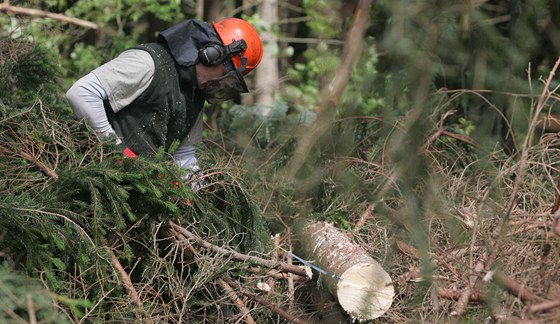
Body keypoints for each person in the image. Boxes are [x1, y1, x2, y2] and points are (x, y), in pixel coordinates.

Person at [66, 18, 263, 179]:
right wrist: (116, 150)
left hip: (135, 190)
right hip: (87, 171)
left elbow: (184, 155)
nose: (223, 83)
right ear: (212, 54)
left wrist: (193, 189)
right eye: (227, 72)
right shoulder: (148, 63)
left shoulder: (195, 94)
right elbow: (81, 94)